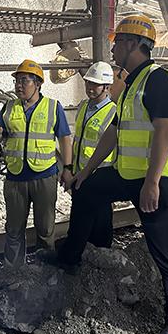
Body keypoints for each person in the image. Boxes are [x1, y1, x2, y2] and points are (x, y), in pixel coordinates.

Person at [60, 15, 168, 334]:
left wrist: (152, 182)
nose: (113, 49)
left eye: (117, 43)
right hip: (129, 175)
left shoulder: (158, 78)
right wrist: (85, 172)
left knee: (164, 253)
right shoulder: (132, 84)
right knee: (86, 191)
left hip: (160, 181)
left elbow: (164, 130)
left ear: (133, 44)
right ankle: (71, 256)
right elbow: (114, 133)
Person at [0, 59, 73, 268]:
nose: (19, 85)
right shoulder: (9, 108)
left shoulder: (53, 107)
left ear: (38, 83)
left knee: (45, 229)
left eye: (24, 80)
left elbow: (64, 139)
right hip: (15, 177)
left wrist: (67, 168)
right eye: (17, 81)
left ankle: (45, 271)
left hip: (44, 177)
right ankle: (14, 271)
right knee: (13, 229)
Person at [57, 61, 117, 260]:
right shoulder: (83, 106)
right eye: (88, 82)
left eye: (95, 84)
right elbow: (78, 141)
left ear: (106, 87)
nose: (90, 87)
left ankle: (100, 256)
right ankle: (77, 256)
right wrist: (69, 168)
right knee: (80, 219)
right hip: (80, 174)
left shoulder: (113, 111)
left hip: (100, 175)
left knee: (100, 220)